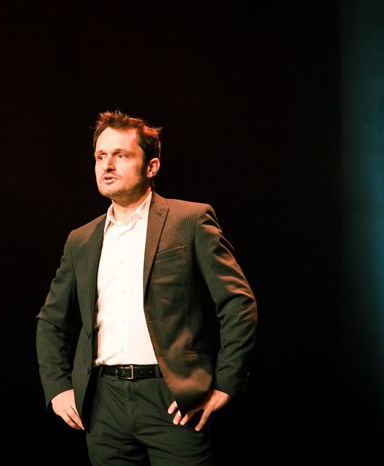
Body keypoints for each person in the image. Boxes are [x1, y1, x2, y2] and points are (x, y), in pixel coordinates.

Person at [35, 110, 258, 465]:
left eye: (121, 155)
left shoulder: (190, 220)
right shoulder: (81, 239)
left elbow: (237, 303)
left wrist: (226, 384)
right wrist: (57, 386)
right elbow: (51, 320)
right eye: (100, 156)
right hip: (103, 401)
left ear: (152, 166)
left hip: (171, 397)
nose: (107, 165)